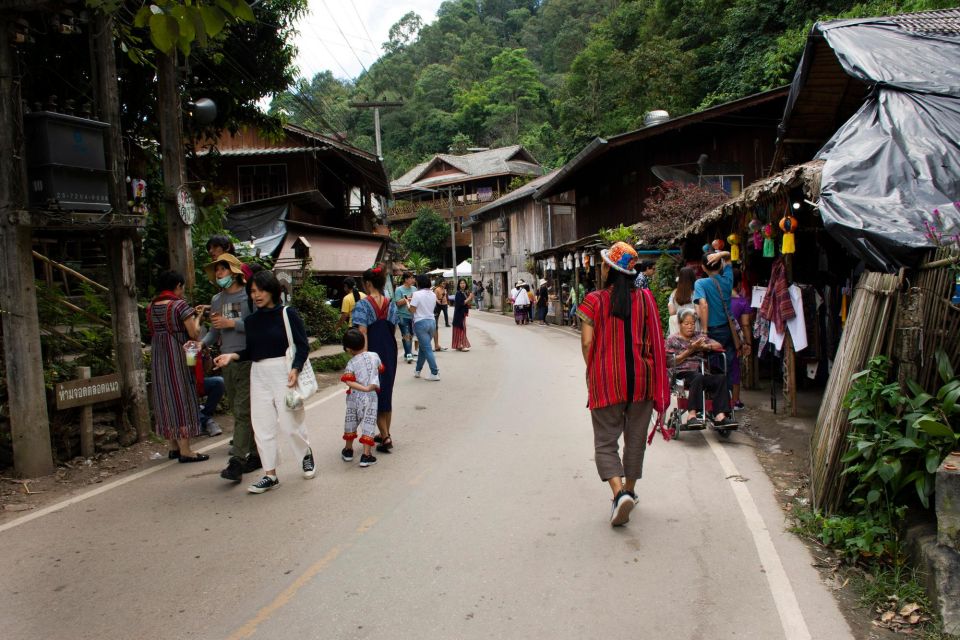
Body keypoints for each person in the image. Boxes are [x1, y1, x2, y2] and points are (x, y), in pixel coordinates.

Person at [578, 242, 669, 527]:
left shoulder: (594, 300)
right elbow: (655, 340)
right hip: (642, 380)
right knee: (635, 439)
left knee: (606, 441)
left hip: (607, 379)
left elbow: (587, 342)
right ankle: (630, 489)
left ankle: (619, 494)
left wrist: (593, 369)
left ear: (607, 268)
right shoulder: (646, 299)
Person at [213, 270, 316, 494]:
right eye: (252, 291)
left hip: (284, 371)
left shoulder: (288, 314)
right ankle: (270, 474)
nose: (256, 295)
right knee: (261, 425)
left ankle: (305, 454)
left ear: (272, 290)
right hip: (258, 373)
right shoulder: (251, 321)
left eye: (260, 290)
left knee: (290, 423)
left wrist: (296, 369)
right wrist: (232, 356)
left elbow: (302, 345)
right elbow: (251, 351)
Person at [200, 253, 260, 483]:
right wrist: (202, 343)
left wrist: (232, 323)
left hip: (246, 359)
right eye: (216, 270)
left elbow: (257, 328)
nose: (219, 274)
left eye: (223, 269)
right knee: (240, 411)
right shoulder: (217, 300)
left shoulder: (249, 296)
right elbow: (214, 331)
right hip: (226, 361)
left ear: (234, 271)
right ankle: (256, 453)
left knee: (242, 410)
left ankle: (237, 460)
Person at [147, 270, 209, 463]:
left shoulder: (152, 306)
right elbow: (194, 333)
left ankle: (173, 447)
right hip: (178, 355)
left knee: (165, 398)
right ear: (178, 286)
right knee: (181, 396)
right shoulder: (179, 306)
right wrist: (198, 317)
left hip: (159, 356)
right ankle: (186, 450)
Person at [352, 265, 400, 452]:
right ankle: (384, 432)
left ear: (369, 283)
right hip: (389, 350)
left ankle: (386, 437)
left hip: (372, 350)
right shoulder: (391, 303)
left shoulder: (362, 305)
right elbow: (393, 327)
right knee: (386, 391)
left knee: (374, 393)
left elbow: (362, 331)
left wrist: (362, 358)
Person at [665, 308, 737, 428]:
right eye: (687, 324)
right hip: (682, 373)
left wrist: (706, 346)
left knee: (720, 378)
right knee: (697, 377)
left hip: (701, 371)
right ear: (680, 324)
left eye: (692, 324)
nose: (690, 327)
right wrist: (690, 350)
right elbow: (670, 361)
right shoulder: (673, 340)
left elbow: (719, 345)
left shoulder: (699, 337)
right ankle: (692, 416)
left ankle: (720, 416)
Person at [339, 328, 382, 467]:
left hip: (354, 396)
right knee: (368, 422)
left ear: (348, 349)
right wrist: (368, 387)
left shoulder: (351, 363)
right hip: (370, 396)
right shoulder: (374, 356)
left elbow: (348, 381)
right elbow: (381, 368)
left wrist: (361, 387)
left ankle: (348, 450)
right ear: (363, 343)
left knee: (351, 420)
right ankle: (366, 455)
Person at [693, 250, 736, 385]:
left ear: (703, 267)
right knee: (727, 365)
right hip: (728, 330)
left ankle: (716, 400)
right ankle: (728, 400)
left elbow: (703, 305)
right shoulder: (728, 279)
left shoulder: (701, 283)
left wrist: (704, 330)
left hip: (712, 331)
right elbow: (728, 257)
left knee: (712, 368)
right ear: (721, 266)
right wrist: (720, 255)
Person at [729, 268, 754, 409]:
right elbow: (745, 324)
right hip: (735, 341)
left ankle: (716, 400)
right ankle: (735, 401)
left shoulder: (718, 299)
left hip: (718, 337)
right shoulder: (742, 302)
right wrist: (748, 343)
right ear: (738, 284)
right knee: (734, 369)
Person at [409, 274, 441, 380]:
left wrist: (407, 304)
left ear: (419, 283)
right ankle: (417, 370)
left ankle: (434, 372)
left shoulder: (416, 294)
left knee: (426, 348)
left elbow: (412, 310)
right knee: (423, 348)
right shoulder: (432, 294)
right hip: (432, 322)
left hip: (420, 323)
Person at [667, 267, 699, 336]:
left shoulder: (674, 293)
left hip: (680, 326)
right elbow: (699, 312)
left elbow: (671, 312)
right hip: (694, 325)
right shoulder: (696, 292)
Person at [393, 271, 416, 364]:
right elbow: (397, 303)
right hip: (402, 315)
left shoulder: (414, 288)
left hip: (412, 316)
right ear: (406, 279)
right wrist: (408, 298)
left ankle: (407, 354)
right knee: (406, 334)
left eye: (412, 278)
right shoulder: (399, 290)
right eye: (411, 278)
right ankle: (409, 354)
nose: (412, 279)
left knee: (410, 335)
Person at [451, 278, 474, 351]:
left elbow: (468, 304)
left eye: (464, 283)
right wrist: (469, 298)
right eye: (461, 283)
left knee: (461, 328)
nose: (463, 284)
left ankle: (459, 345)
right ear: (459, 285)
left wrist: (470, 298)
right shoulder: (458, 293)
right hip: (459, 314)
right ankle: (462, 345)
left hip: (462, 313)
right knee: (461, 328)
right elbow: (462, 303)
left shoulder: (464, 292)